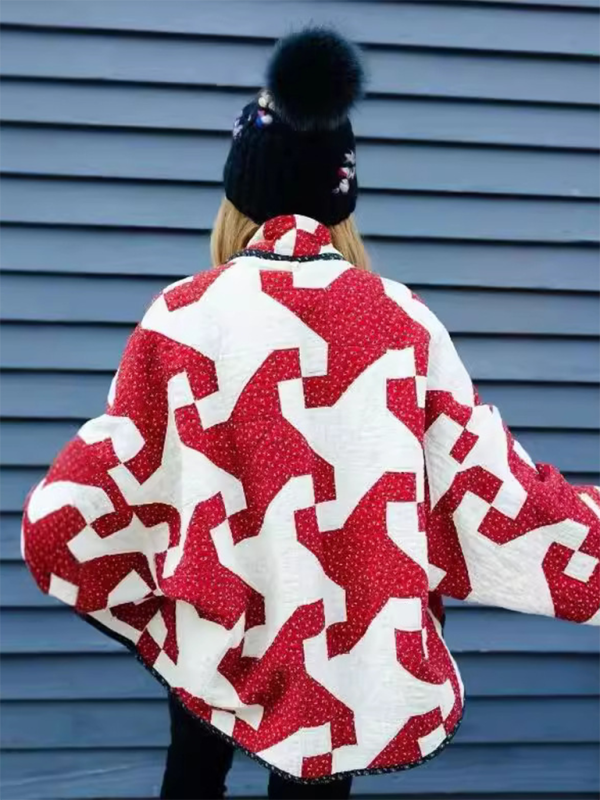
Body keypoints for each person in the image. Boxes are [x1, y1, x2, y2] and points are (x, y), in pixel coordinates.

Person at [22, 27, 600, 800]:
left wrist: (154, 593)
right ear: (340, 201)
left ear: (239, 199)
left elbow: (84, 504)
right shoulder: (401, 322)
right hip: (346, 658)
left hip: (213, 632)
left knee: (191, 774)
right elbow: (487, 484)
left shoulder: (182, 320)